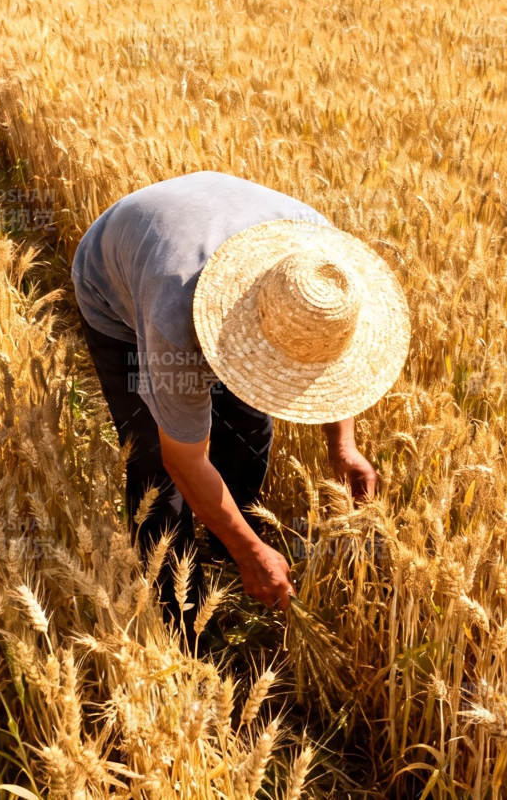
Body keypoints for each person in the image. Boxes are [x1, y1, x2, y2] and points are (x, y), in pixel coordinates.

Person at [70, 170, 410, 641]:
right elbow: (183, 459)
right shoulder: (174, 323)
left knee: (251, 428)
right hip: (118, 286)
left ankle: (234, 533)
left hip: (208, 233)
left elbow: (326, 359)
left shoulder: (319, 262)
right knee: (155, 467)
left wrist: (344, 446)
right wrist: (254, 554)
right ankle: (179, 618)